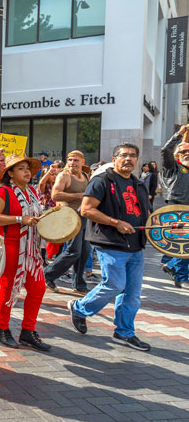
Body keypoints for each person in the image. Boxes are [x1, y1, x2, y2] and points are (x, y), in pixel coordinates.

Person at [68, 143, 152, 350]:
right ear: (114, 159)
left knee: (132, 293)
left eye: (133, 156)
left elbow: (148, 215)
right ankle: (79, 308)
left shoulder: (139, 184)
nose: (128, 159)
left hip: (136, 246)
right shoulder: (102, 181)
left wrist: (164, 231)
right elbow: (87, 210)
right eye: (124, 155)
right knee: (115, 285)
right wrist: (116, 223)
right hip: (111, 243)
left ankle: (124, 333)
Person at [0, 154, 51, 351]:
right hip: (10, 244)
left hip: (31, 247)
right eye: (21, 168)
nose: (27, 171)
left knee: (38, 288)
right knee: (8, 289)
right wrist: (18, 219)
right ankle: (3, 328)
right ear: (11, 174)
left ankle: (28, 330)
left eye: (28, 168)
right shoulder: (3, 192)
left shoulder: (32, 191)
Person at [44, 152, 91, 294]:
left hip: (83, 216)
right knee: (74, 251)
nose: (72, 163)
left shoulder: (85, 176)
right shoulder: (64, 175)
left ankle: (78, 284)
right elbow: (55, 195)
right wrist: (77, 196)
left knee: (85, 251)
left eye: (76, 160)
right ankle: (46, 275)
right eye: (69, 160)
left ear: (82, 161)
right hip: (69, 217)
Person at [159, 126, 189, 288]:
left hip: (187, 211)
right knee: (184, 243)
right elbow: (165, 150)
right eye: (183, 152)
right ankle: (181, 277)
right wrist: (180, 133)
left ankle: (170, 265)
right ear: (177, 155)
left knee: (182, 244)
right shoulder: (173, 168)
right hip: (176, 210)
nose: (186, 153)